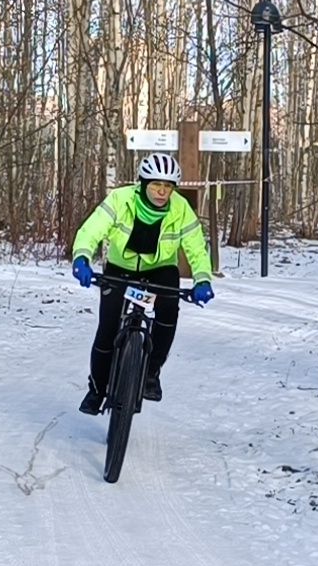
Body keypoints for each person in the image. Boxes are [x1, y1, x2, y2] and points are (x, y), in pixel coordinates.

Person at [70, 152, 215, 413]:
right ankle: (97, 390)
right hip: (120, 269)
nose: (161, 192)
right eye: (156, 185)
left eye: (167, 187)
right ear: (143, 183)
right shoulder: (120, 199)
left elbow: (196, 248)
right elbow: (92, 229)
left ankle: (151, 373)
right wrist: (82, 256)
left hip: (160, 269)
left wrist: (202, 279)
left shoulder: (181, 208)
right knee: (107, 328)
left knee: (169, 311)